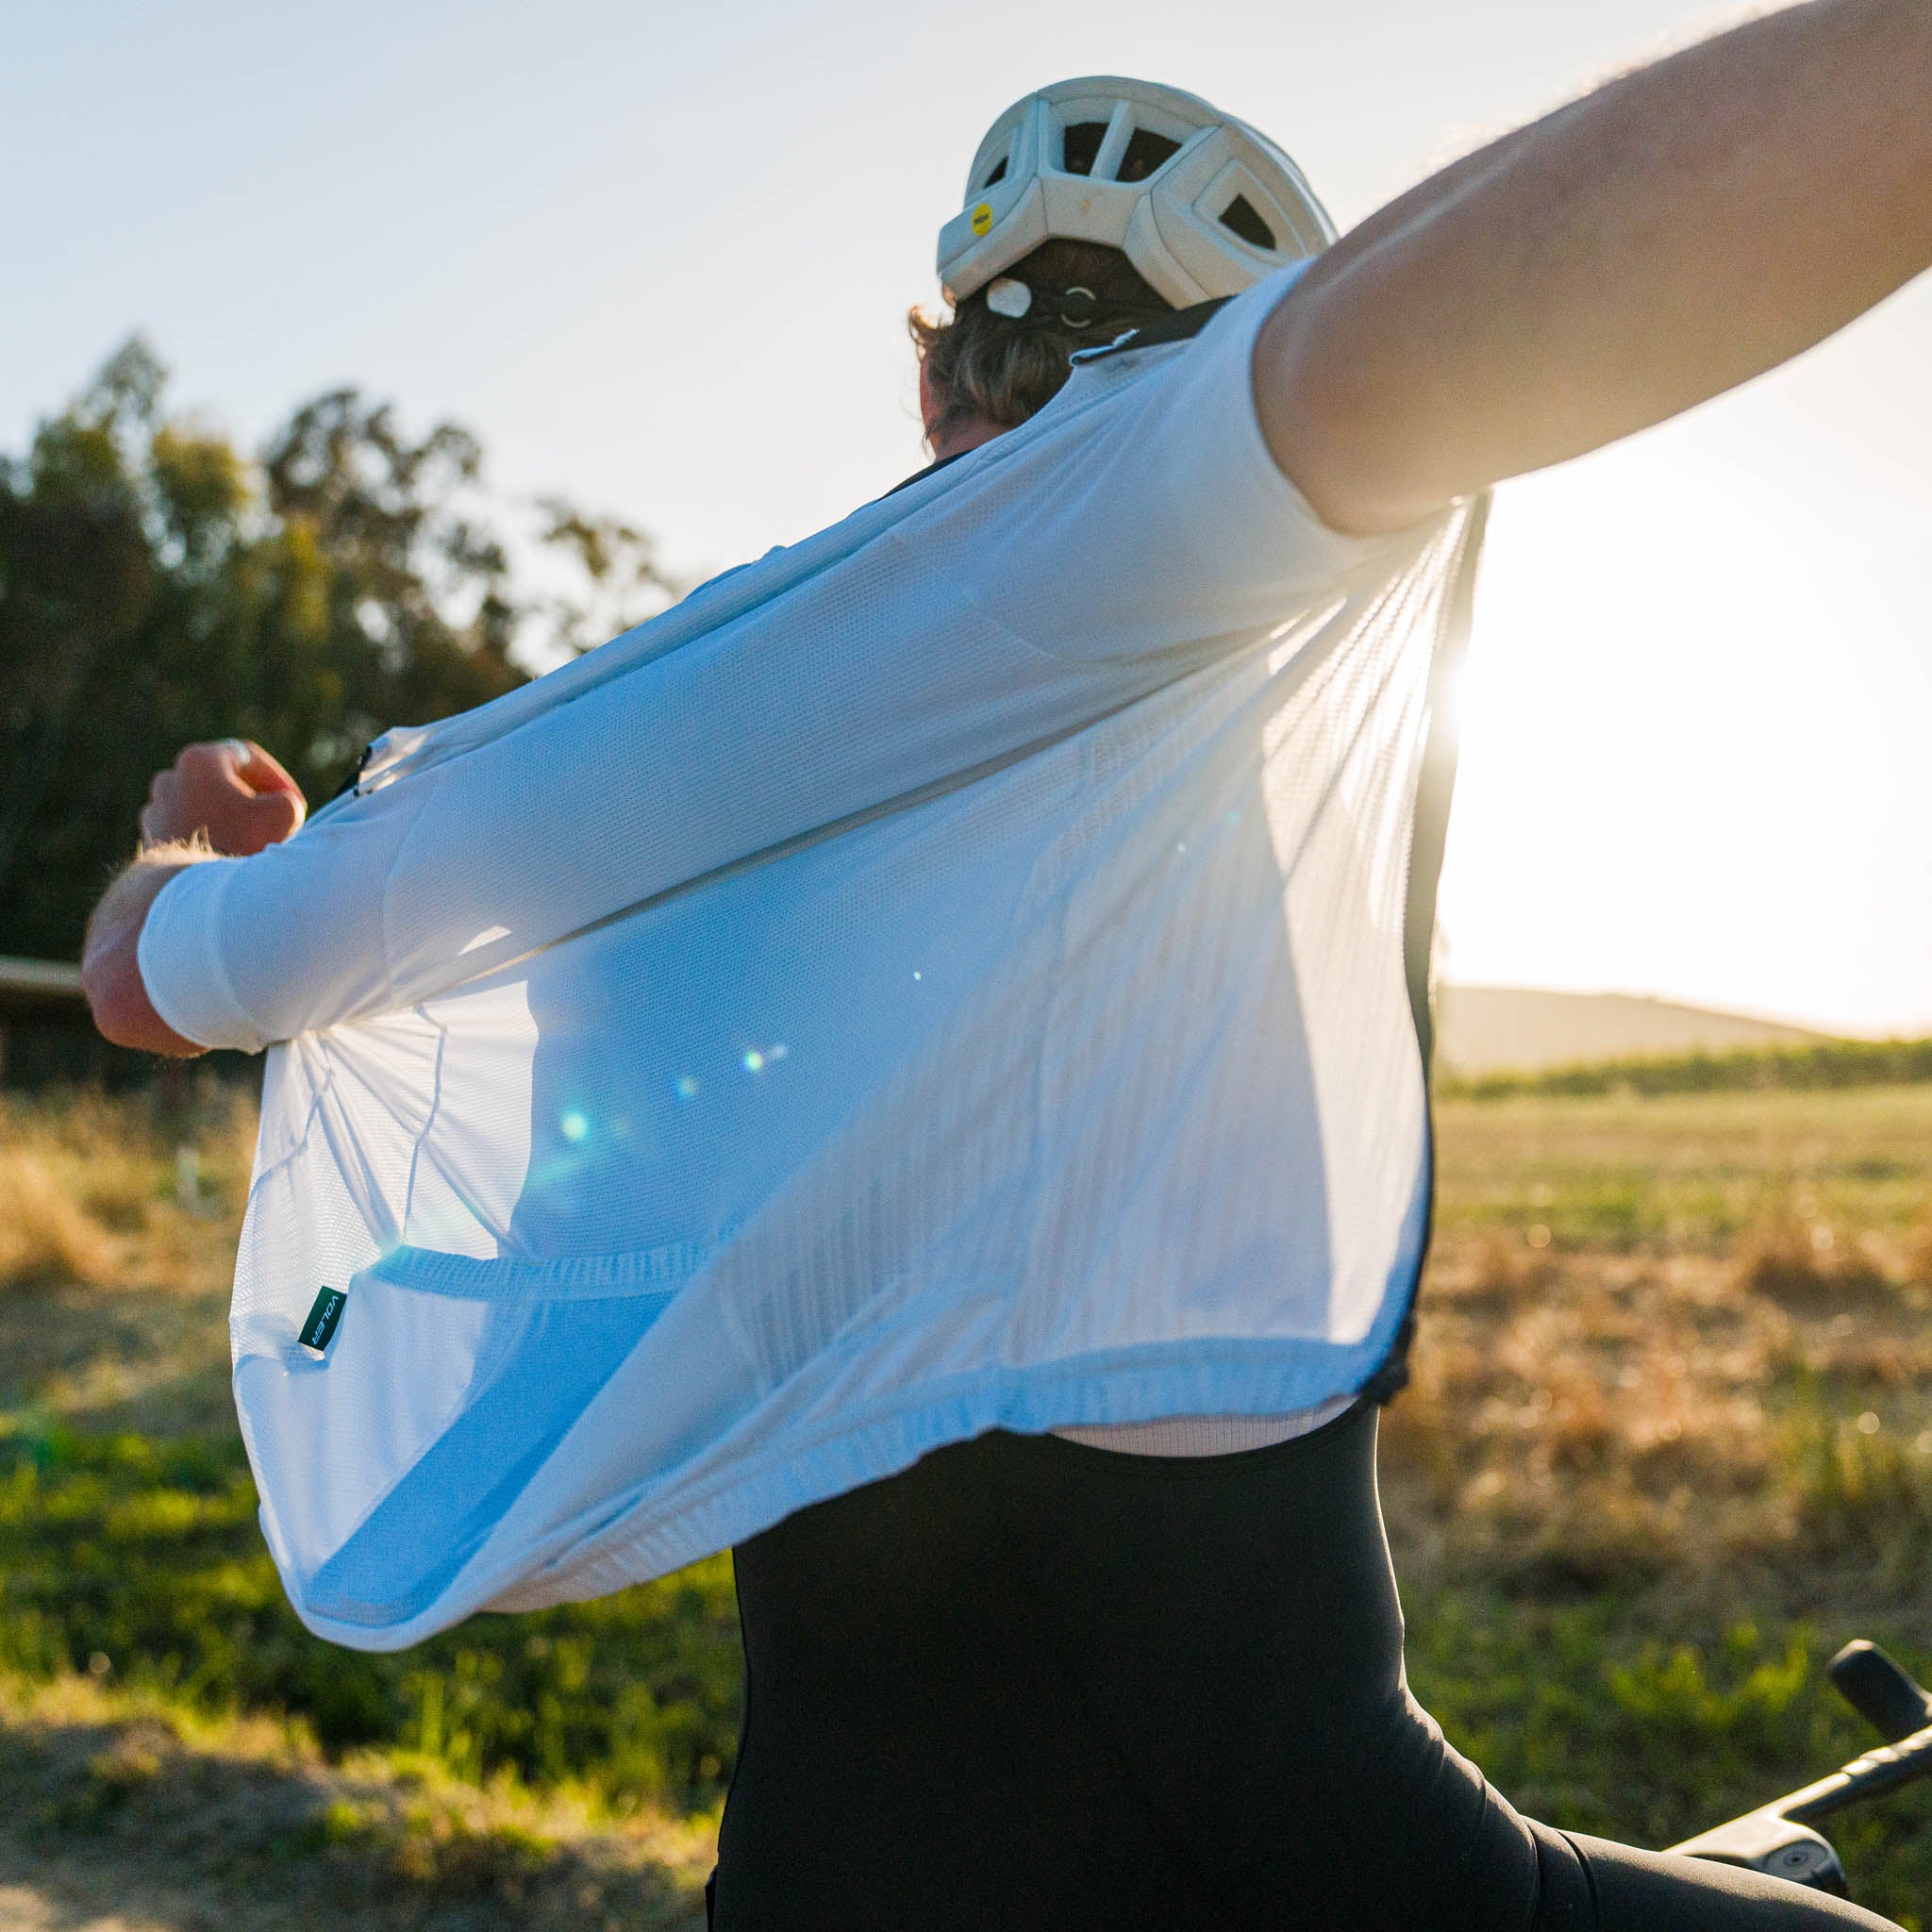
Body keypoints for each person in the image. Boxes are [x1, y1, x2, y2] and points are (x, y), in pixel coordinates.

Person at [83, 11, 1930, 1927]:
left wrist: (178, 843)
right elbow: (1536, 275)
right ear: (1195, 376)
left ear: (934, 382)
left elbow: (148, 978)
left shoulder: (639, 733)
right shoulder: (1132, 527)